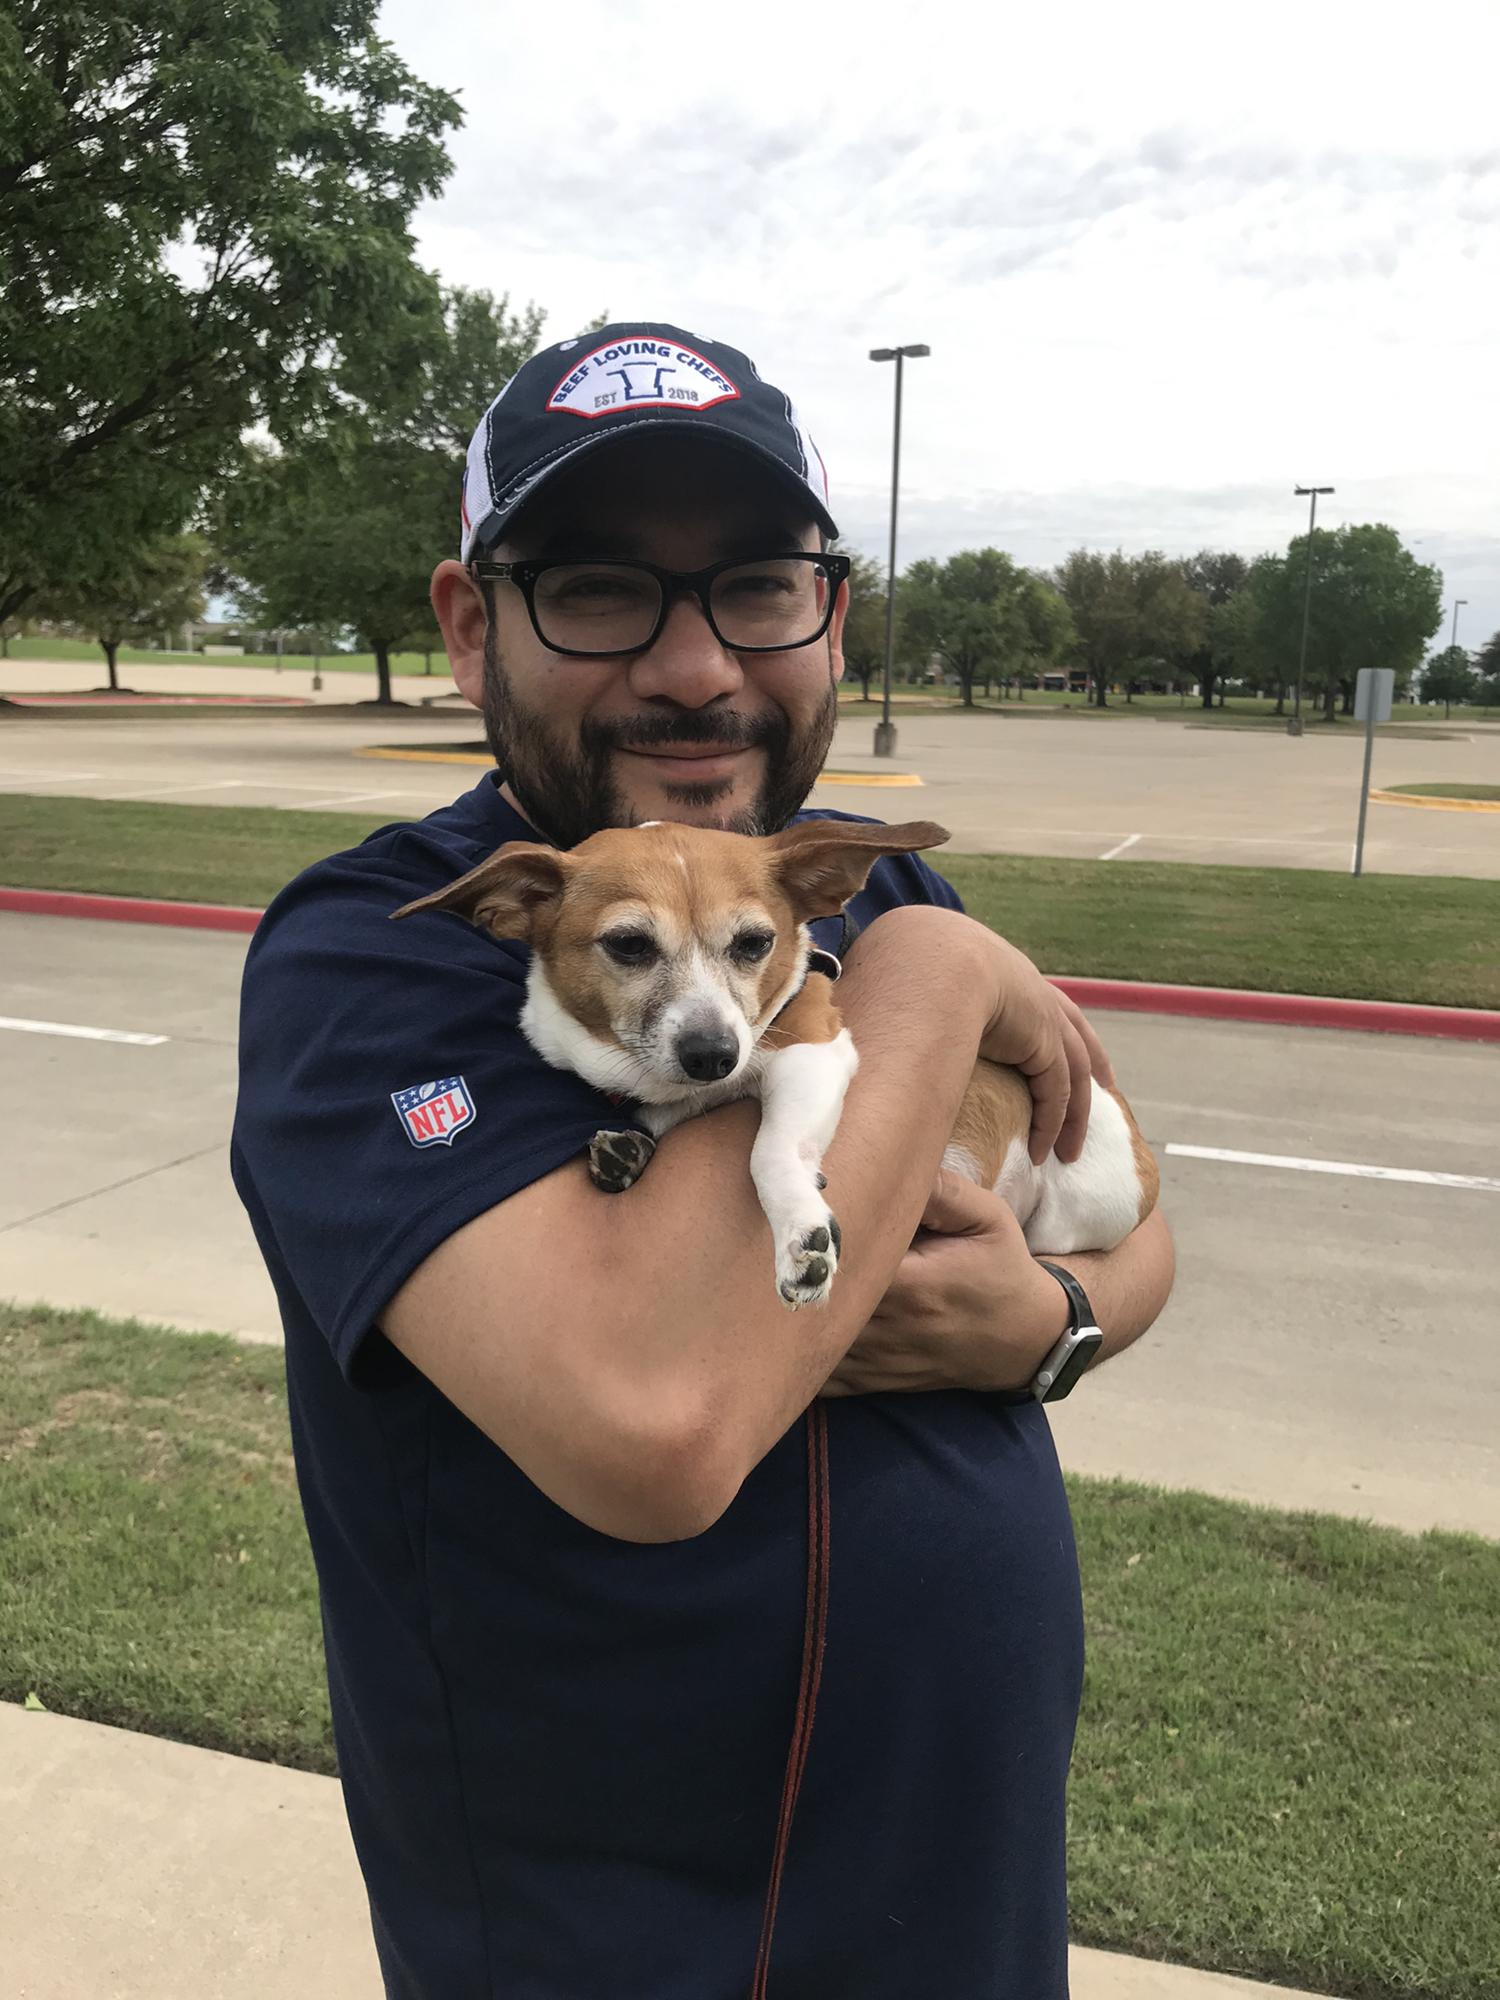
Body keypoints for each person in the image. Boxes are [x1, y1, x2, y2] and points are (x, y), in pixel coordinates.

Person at [232, 321, 1175, 1999]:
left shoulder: (858, 898)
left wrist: (1056, 1328)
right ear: (470, 624)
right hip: (627, 1938)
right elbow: (657, 1422)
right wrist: (948, 986)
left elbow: (1129, 1203)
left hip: (967, 1896)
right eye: (598, 588)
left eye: (756, 586)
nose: (693, 666)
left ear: (827, 616)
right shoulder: (379, 961)